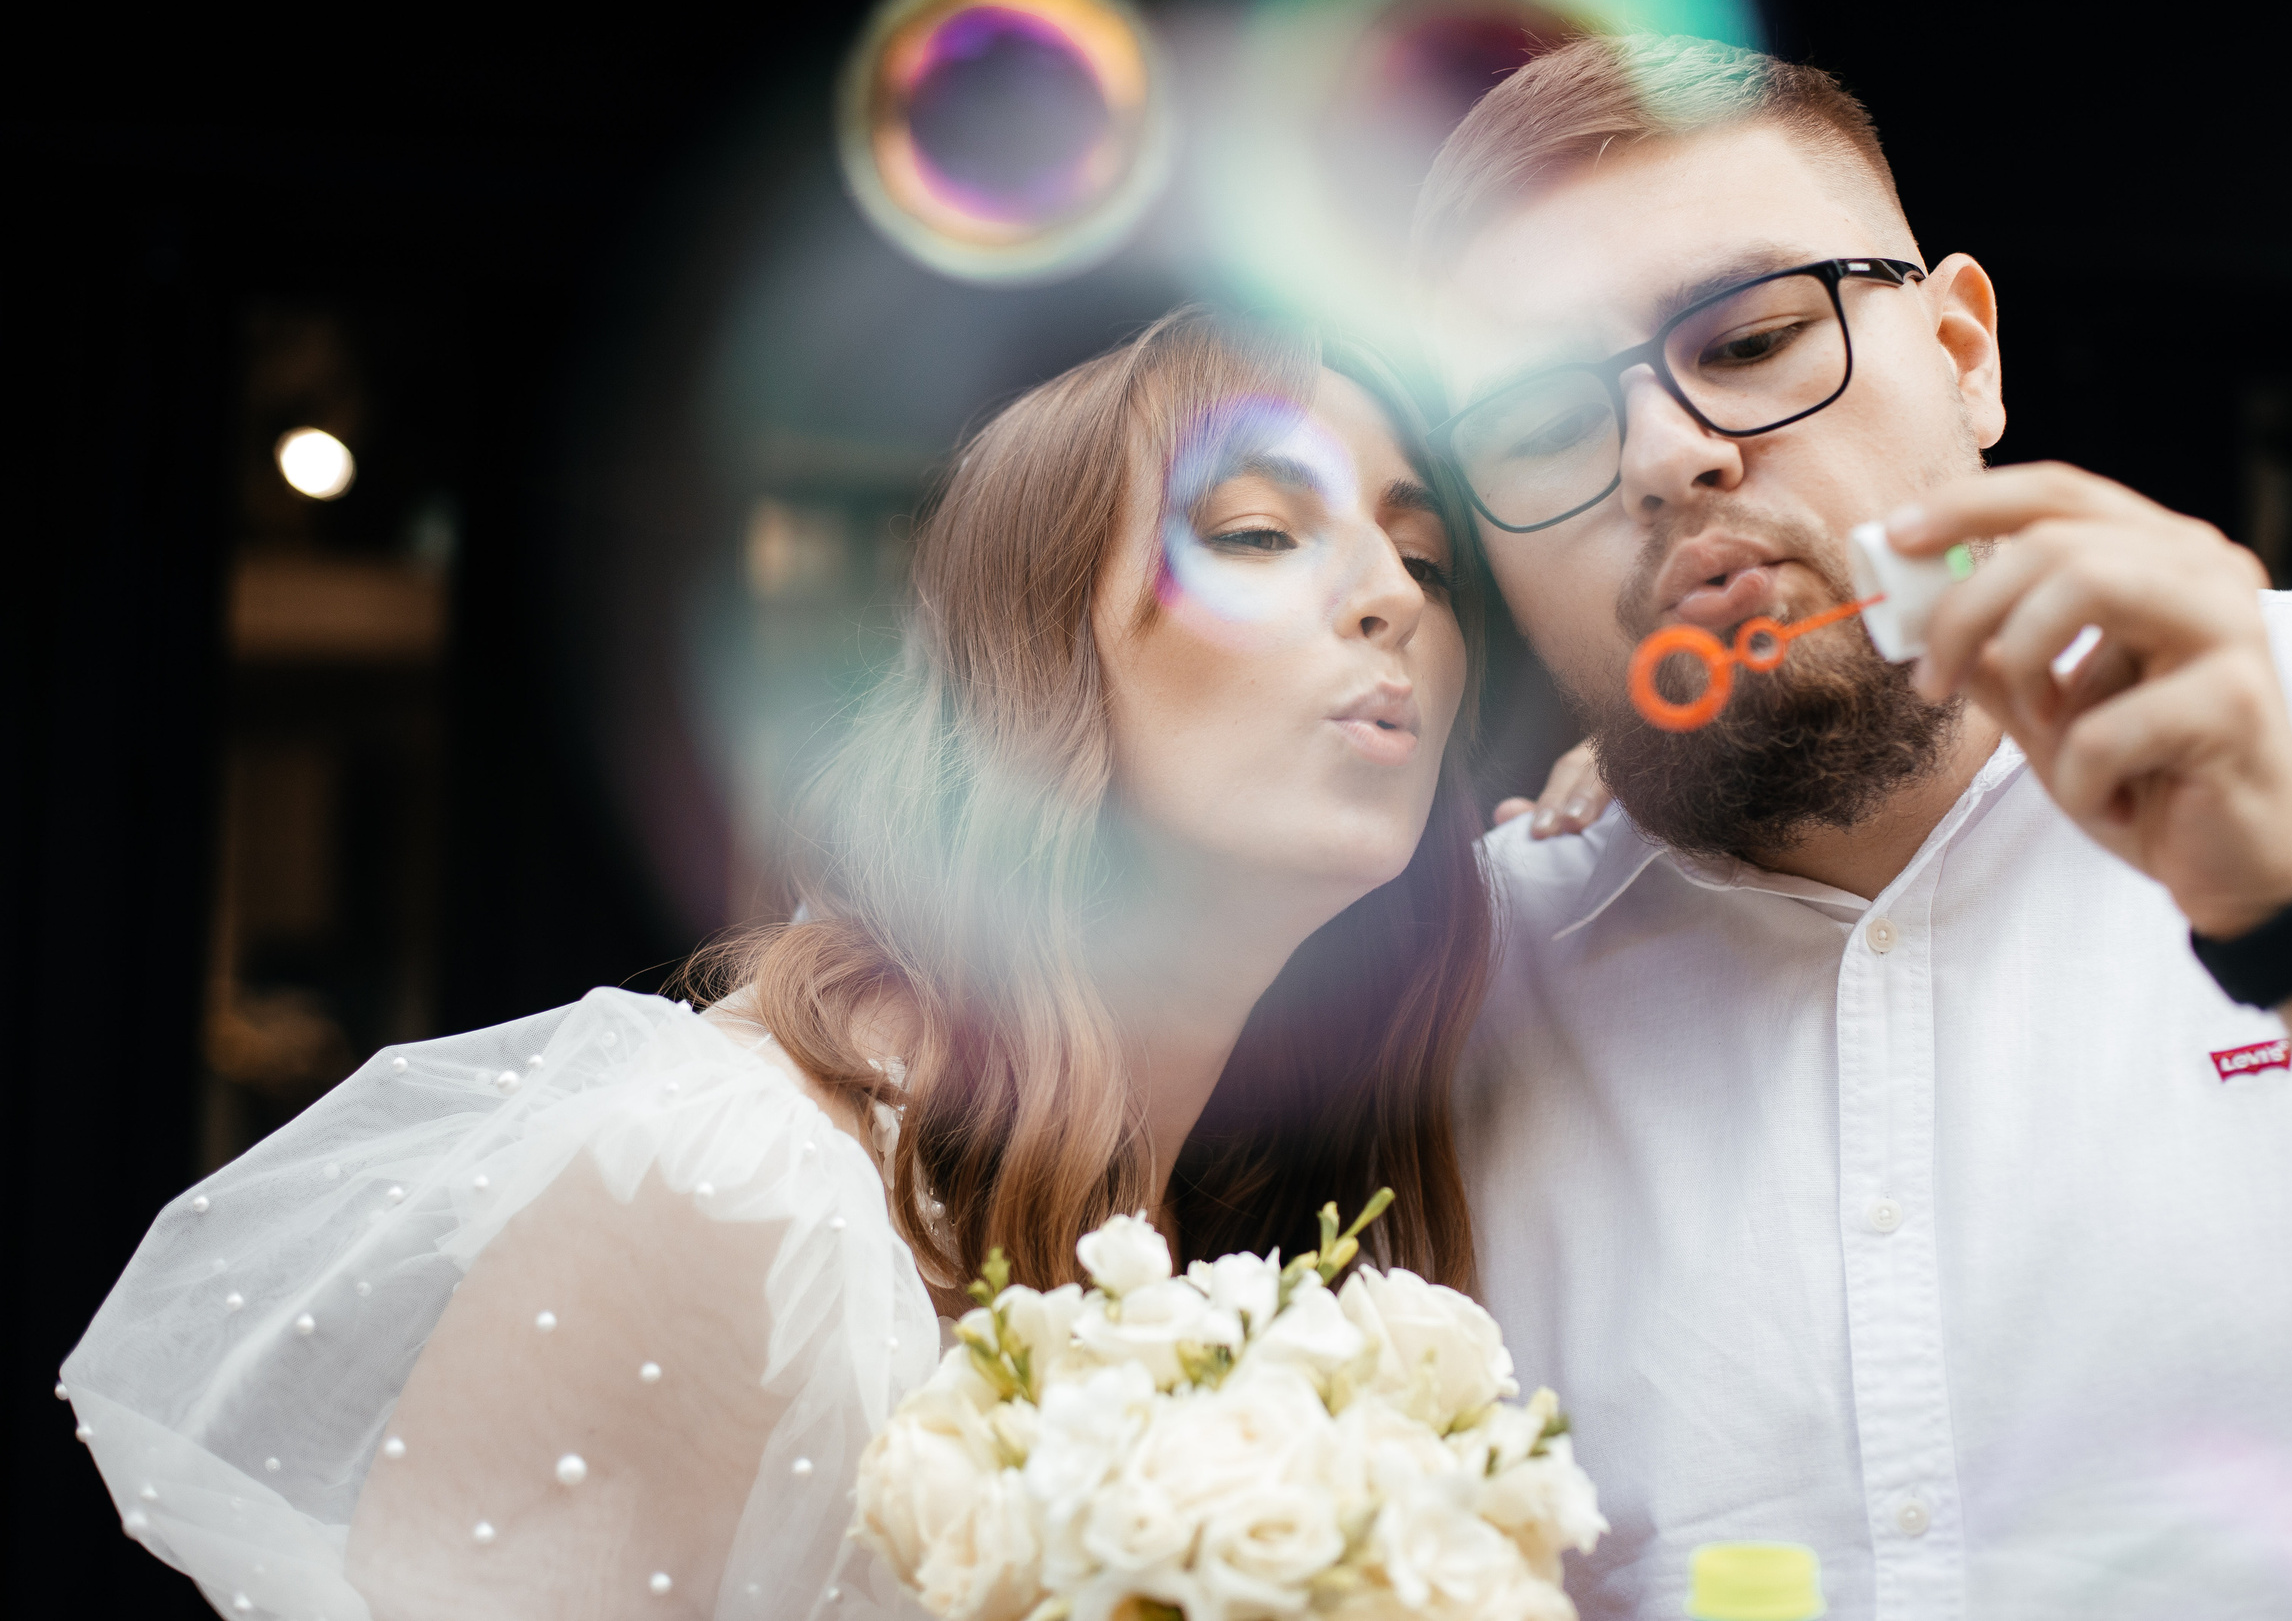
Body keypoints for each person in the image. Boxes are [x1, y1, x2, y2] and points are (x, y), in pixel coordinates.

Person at [57, 308, 1493, 1619]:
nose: (1393, 599)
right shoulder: (729, 1189)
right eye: (1255, 533)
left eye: (1424, 560)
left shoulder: (1283, 1252)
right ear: (1038, 654)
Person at [1420, 35, 2292, 1618]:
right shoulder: (1452, 996)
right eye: (1541, 423)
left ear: (1965, 351)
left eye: (1752, 339)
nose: (1672, 453)